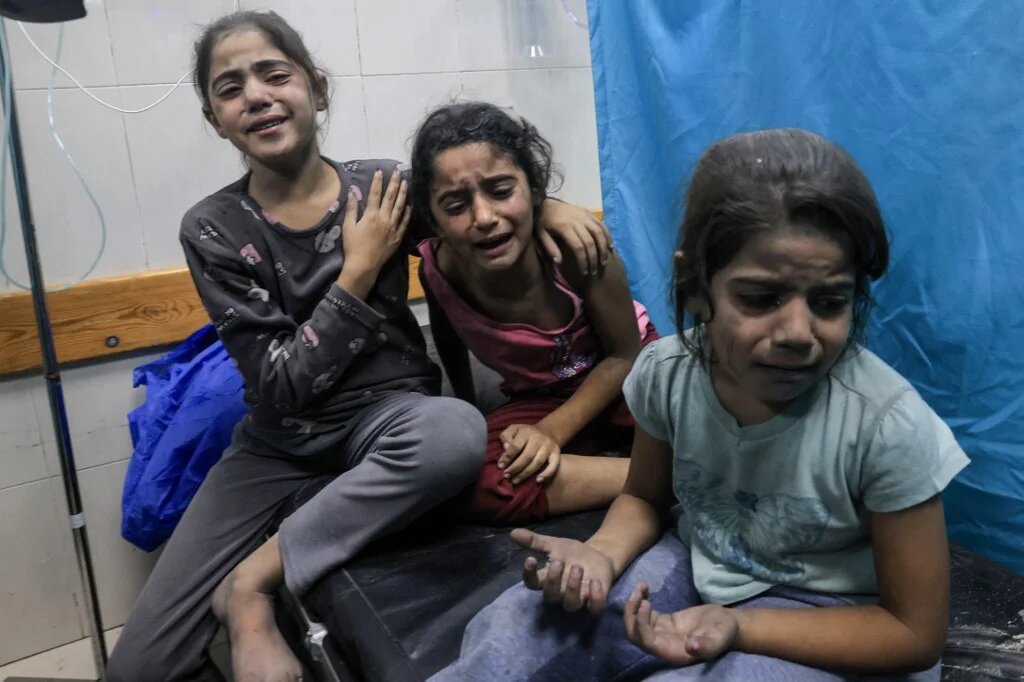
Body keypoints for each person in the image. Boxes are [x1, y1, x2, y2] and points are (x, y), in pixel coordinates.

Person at [105, 11, 610, 682]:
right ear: (214, 119)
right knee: (140, 668)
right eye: (230, 88)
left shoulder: (384, 188)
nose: (255, 95)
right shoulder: (213, 229)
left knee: (455, 433)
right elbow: (283, 385)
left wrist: (550, 206)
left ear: (316, 88)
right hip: (280, 442)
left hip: (392, 417)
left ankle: (250, 585)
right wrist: (359, 270)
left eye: (274, 74)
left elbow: (476, 205)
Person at [432, 128, 970, 681]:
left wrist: (738, 627)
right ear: (694, 285)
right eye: (761, 299)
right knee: (522, 631)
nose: (797, 332)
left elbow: (913, 634)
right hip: (704, 569)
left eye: (830, 301)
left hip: (838, 617)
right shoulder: (667, 374)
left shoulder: (885, 426)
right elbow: (644, 497)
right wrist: (601, 555)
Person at [409, 102, 657, 524]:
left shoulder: (577, 250)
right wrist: (470, 411)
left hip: (627, 379)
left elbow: (624, 356)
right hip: (542, 398)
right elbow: (448, 334)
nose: (484, 217)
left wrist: (551, 433)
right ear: (432, 218)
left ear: (534, 187)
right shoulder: (438, 270)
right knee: (472, 478)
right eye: (454, 205)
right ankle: (658, 475)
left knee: (706, 419)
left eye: (501, 191)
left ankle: (662, 467)